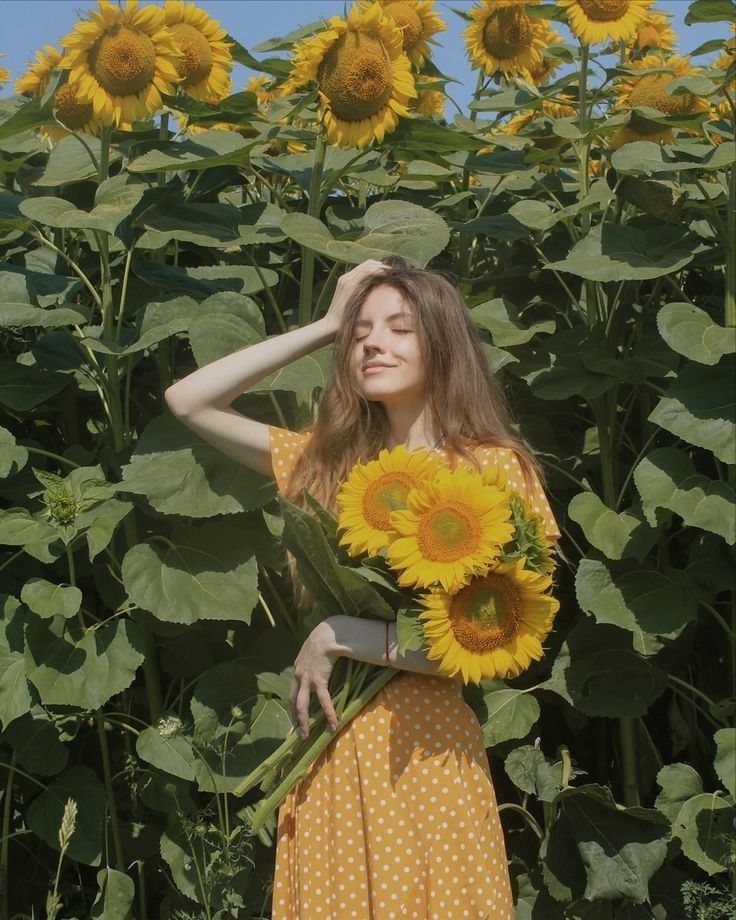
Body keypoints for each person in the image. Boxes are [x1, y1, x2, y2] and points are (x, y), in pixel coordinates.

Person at [164, 257, 560, 919]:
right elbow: (189, 401)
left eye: (398, 328)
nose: (371, 342)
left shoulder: (493, 469)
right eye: (360, 331)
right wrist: (324, 323)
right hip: (331, 748)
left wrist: (344, 635)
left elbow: (503, 641)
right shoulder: (330, 465)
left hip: (425, 754)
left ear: (444, 343)